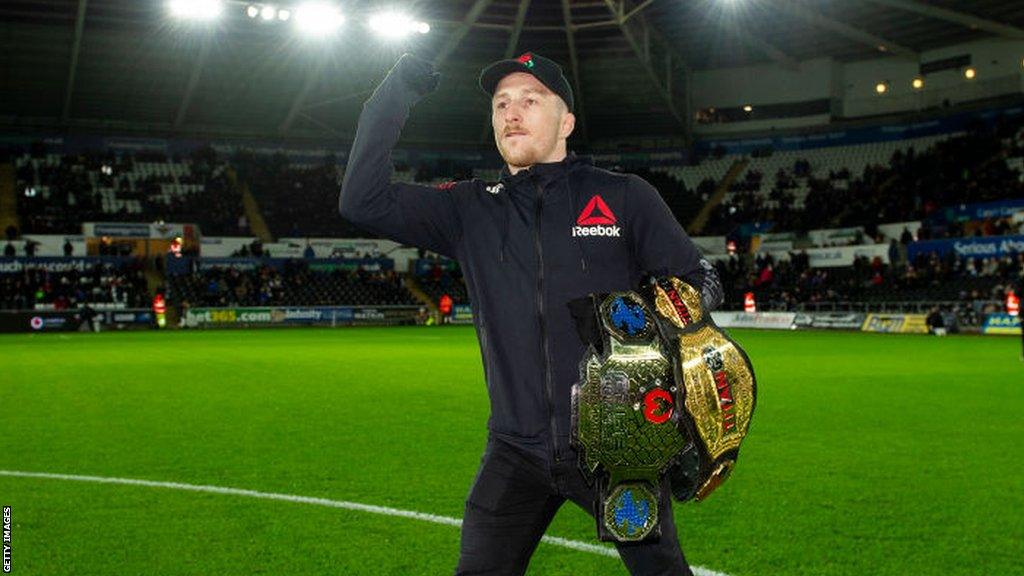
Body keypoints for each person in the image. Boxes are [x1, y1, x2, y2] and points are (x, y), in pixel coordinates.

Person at [339, 53, 722, 575]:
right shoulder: (468, 209)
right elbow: (362, 201)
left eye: (530, 100)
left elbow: (699, 281)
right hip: (514, 451)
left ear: (566, 122)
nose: (511, 113)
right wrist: (397, 90)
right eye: (501, 104)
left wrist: (649, 332)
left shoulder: (626, 197)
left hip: (616, 447)